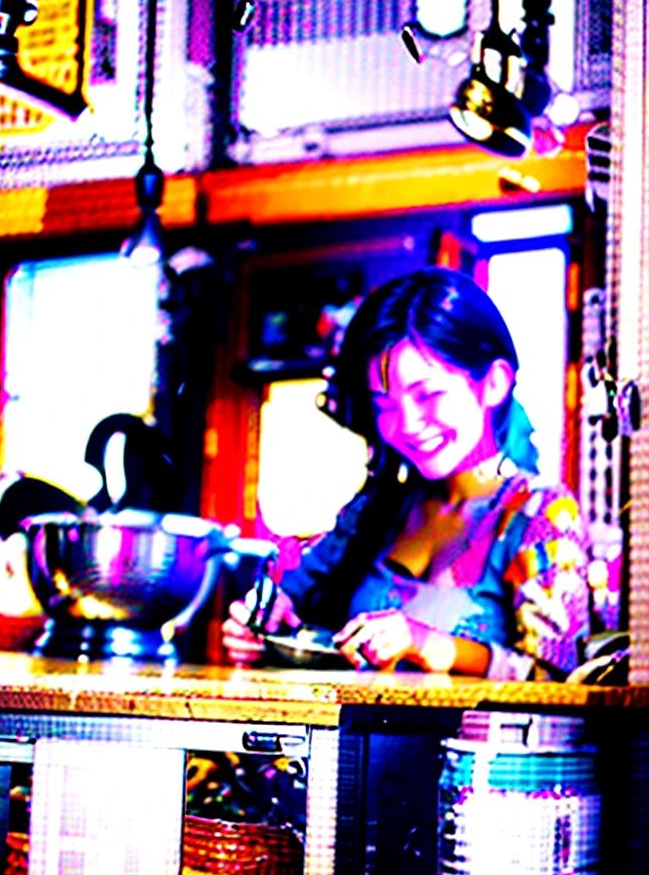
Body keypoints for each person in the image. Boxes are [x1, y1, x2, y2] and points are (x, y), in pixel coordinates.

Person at [222, 267, 591, 680]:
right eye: (385, 405)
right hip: (357, 744)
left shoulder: (541, 514)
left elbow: (562, 683)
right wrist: (263, 625)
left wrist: (430, 644)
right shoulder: (375, 511)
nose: (409, 424)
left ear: (494, 383)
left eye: (429, 394)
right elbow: (293, 611)